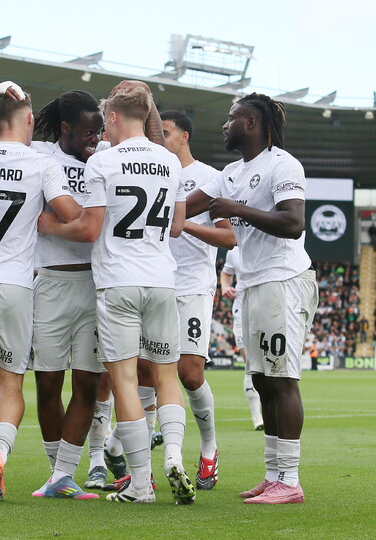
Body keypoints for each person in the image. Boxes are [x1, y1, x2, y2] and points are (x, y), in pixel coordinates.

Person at [38, 86, 192, 504]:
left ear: (114, 118)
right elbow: (176, 227)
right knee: (164, 375)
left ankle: (141, 485)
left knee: (124, 381)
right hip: (162, 278)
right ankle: (175, 453)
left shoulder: (103, 161)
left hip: (118, 281)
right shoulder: (170, 161)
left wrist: (49, 227)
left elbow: (88, 230)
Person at [0, 85, 81, 502]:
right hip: (13, 285)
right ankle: (0, 455)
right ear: (26, 121)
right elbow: (72, 214)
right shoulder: (41, 164)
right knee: (10, 385)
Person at [185, 93, 318, 505]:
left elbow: (293, 223)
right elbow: (187, 207)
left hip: (284, 278)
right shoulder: (231, 172)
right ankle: (273, 474)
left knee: (281, 378)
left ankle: (290, 480)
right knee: (261, 381)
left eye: (233, 118)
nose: (226, 125)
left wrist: (233, 207)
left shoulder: (283, 164)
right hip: (254, 282)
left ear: (253, 124)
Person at [162, 110, 236, 491]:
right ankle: (137, 464)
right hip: (155, 285)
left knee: (190, 373)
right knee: (147, 374)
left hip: (193, 285)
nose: (161, 138)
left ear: (185, 136)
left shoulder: (208, 178)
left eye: (166, 132)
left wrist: (182, 222)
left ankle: (209, 448)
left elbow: (229, 239)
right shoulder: (154, 172)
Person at [221, 246, 264, 430]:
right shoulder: (234, 250)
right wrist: (225, 287)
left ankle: (270, 409)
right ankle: (257, 418)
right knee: (250, 363)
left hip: (265, 308)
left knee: (265, 364)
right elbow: (226, 273)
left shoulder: (265, 245)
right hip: (241, 312)